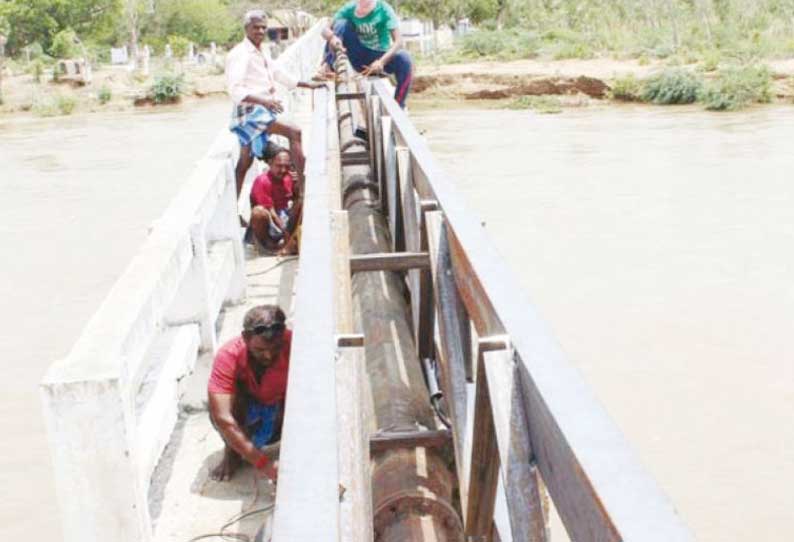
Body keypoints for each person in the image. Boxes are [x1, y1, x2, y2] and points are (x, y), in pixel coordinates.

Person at [226, 9, 324, 215]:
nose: (260, 31)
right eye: (256, 27)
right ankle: (306, 187)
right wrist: (265, 101)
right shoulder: (239, 55)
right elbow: (235, 90)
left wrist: (307, 84)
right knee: (294, 131)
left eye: (263, 27)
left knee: (245, 162)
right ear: (246, 29)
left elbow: (278, 74)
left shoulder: (263, 50)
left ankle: (230, 212)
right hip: (250, 112)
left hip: (262, 108)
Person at [207, 305, 292, 481]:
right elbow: (222, 417)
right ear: (245, 338)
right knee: (217, 405)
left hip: (280, 412)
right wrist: (264, 464)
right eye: (260, 350)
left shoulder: (294, 344)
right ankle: (232, 451)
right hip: (248, 411)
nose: (268, 356)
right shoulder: (228, 356)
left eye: (275, 348)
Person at [320, 0, 412, 108]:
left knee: (405, 59)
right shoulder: (350, 8)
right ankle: (328, 66)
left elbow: (399, 41)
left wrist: (381, 62)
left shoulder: (384, 9)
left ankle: (399, 105)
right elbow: (325, 29)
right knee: (341, 23)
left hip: (380, 56)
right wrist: (332, 37)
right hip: (359, 56)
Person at [249, 147, 302, 254]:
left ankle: (288, 243)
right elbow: (271, 211)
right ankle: (269, 246)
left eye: (286, 166)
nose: (283, 170)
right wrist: (286, 233)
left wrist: (297, 185)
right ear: (270, 163)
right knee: (258, 212)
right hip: (270, 219)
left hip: (284, 215)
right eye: (279, 166)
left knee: (302, 202)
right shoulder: (262, 181)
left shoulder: (289, 177)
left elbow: (296, 200)